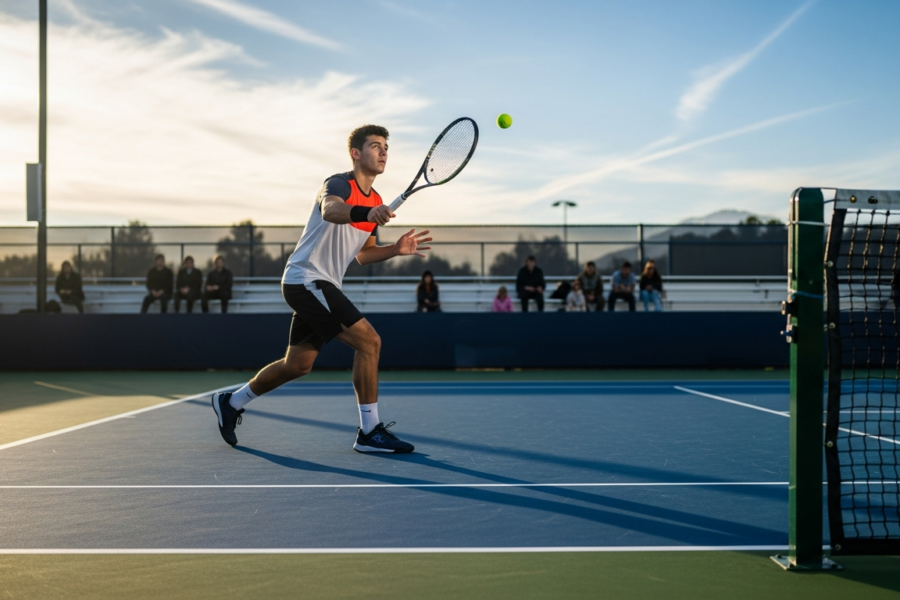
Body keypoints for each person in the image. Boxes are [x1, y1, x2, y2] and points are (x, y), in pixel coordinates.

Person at [211, 124, 431, 453]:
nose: (383, 151)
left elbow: (362, 254)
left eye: (386, 146)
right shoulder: (338, 183)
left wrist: (395, 250)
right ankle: (369, 432)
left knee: (298, 365)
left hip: (321, 283)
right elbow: (331, 209)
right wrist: (366, 212)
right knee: (370, 342)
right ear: (356, 154)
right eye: (375, 146)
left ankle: (230, 402)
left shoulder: (377, 200)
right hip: (306, 279)